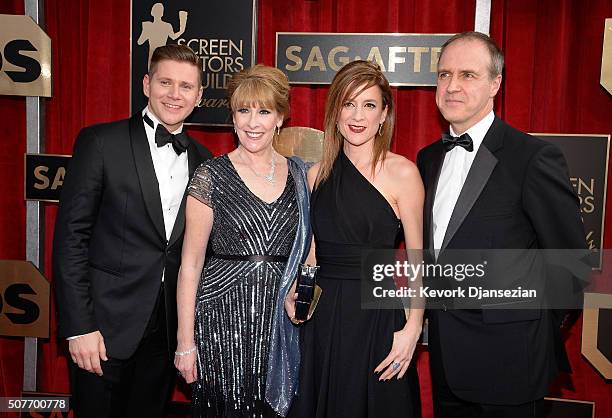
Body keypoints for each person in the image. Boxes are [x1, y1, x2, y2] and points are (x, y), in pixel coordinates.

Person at [416, 32, 587, 418]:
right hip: (446, 360)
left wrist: (530, 329)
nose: (452, 86)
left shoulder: (533, 157)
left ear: (496, 83)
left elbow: (571, 260)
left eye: (467, 75)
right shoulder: (428, 159)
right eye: (444, 75)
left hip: (510, 362)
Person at [53, 44, 212, 418]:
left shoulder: (205, 162)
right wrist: (79, 327)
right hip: (102, 332)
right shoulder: (100, 143)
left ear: (200, 96)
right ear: (146, 83)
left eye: (186, 86)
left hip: (165, 334)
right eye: (166, 82)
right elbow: (70, 240)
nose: (175, 94)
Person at [287, 60, 424, 418]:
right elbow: (311, 256)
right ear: (335, 111)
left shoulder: (403, 172)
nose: (357, 115)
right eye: (348, 103)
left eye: (369, 105)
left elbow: (418, 260)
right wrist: (296, 296)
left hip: (377, 313)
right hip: (323, 317)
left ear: (383, 115)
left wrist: (413, 328)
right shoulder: (315, 175)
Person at [174, 64, 311, 417]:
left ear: (280, 118)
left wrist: (301, 290)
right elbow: (190, 265)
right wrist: (185, 343)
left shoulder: (301, 175)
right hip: (220, 319)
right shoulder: (211, 175)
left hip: (278, 319)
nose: (253, 122)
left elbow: (309, 250)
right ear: (233, 117)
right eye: (243, 110)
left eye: (264, 111)